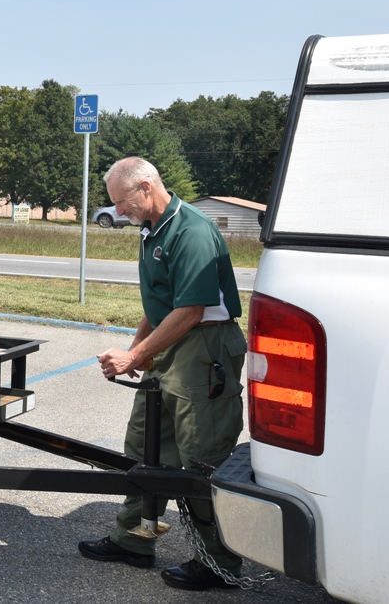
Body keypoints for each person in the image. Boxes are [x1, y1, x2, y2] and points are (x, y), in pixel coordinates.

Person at [77, 156, 247, 591]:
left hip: (202, 347)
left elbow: (191, 310)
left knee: (202, 456)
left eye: (122, 201)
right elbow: (161, 303)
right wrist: (138, 351)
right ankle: (135, 540)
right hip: (172, 341)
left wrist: (134, 356)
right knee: (146, 445)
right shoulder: (153, 228)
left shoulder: (191, 231)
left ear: (147, 188)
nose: (118, 211)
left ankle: (219, 562)